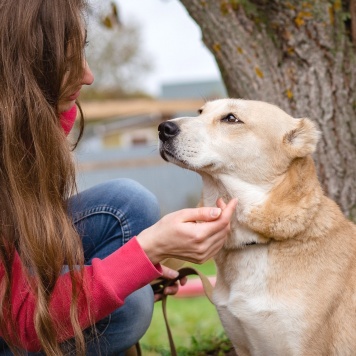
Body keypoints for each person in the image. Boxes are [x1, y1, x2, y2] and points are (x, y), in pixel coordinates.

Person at [0, 0, 237, 355]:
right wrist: (149, 249)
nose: (88, 75)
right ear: (28, 65)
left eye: (83, 51)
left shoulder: (25, 126)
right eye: (68, 59)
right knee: (130, 309)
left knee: (129, 203)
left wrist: (137, 268)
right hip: (20, 325)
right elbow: (23, 322)